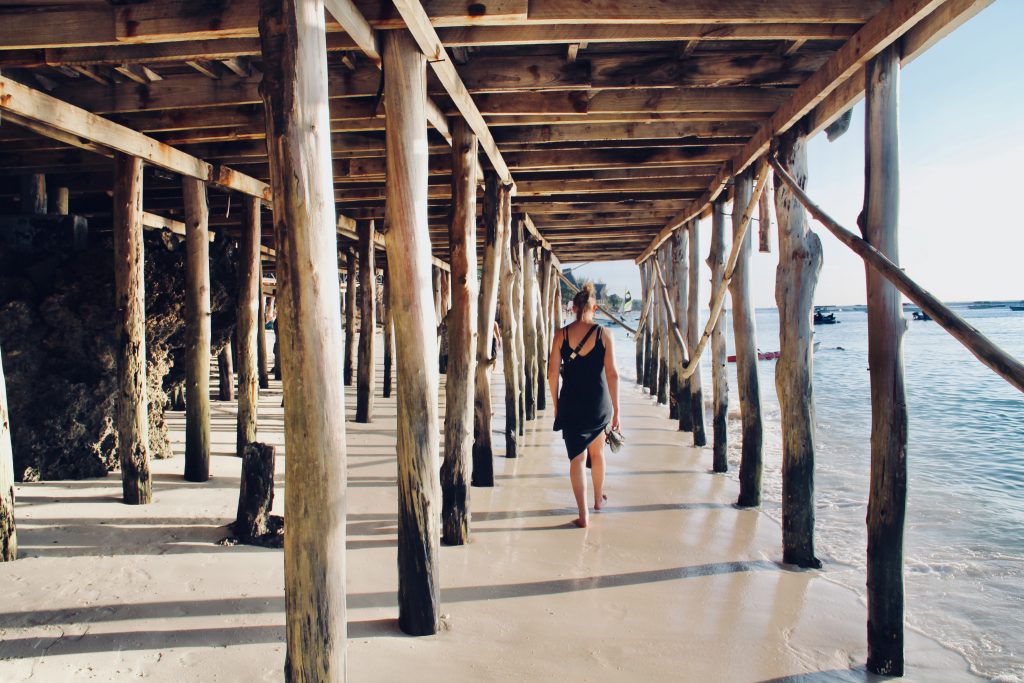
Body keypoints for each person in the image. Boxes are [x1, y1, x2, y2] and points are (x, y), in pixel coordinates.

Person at [548, 282, 620, 528]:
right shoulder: (604, 334)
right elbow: (613, 374)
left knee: (577, 459)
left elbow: (552, 374)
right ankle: (598, 500)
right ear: (594, 307)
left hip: (571, 403)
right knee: (597, 454)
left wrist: (557, 405)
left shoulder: (562, 334)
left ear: (574, 308)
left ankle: (583, 514)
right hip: (598, 405)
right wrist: (617, 409)